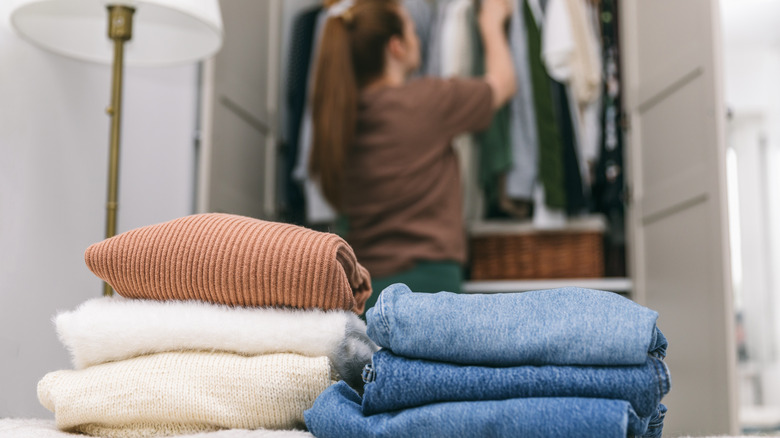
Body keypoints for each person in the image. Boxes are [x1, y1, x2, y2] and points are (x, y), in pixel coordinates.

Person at [310, 0, 516, 312]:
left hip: (362, 294)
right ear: (396, 47)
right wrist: (491, 21)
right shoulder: (429, 101)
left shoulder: (338, 120)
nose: (418, 38)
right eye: (412, 30)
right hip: (430, 291)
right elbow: (502, 83)